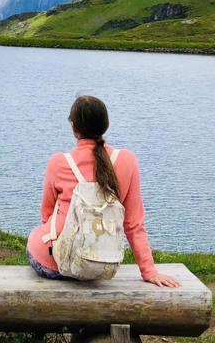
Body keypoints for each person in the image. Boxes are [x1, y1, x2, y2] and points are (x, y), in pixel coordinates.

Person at [26, 95, 181, 287]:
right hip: (98, 263)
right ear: (105, 124)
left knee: (35, 236)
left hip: (55, 262)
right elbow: (133, 224)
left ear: (74, 128)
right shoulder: (127, 161)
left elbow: (46, 215)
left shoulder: (59, 162)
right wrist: (149, 271)